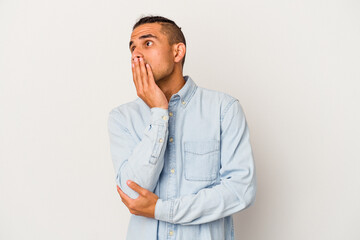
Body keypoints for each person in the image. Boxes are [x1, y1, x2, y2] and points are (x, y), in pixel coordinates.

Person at [107, 15, 256, 240]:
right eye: (132, 48)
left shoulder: (223, 109)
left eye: (147, 43)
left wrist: (162, 210)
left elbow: (240, 190)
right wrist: (159, 114)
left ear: (177, 52)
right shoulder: (122, 118)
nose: (136, 54)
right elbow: (131, 193)